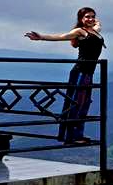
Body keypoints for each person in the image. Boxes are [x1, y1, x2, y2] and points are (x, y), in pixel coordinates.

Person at [24, 7, 106, 144]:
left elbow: (98, 26)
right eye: (87, 17)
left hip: (88, 74)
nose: (90, 19)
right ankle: (70, 137)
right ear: (80, 19)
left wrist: (96, 22)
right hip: (80, 72)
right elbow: (61, 37)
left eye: (92, 16)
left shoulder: (94, 31)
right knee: (75, 104)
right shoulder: (80, 31)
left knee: (84, 104)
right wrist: (41, 37)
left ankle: (78, 135)